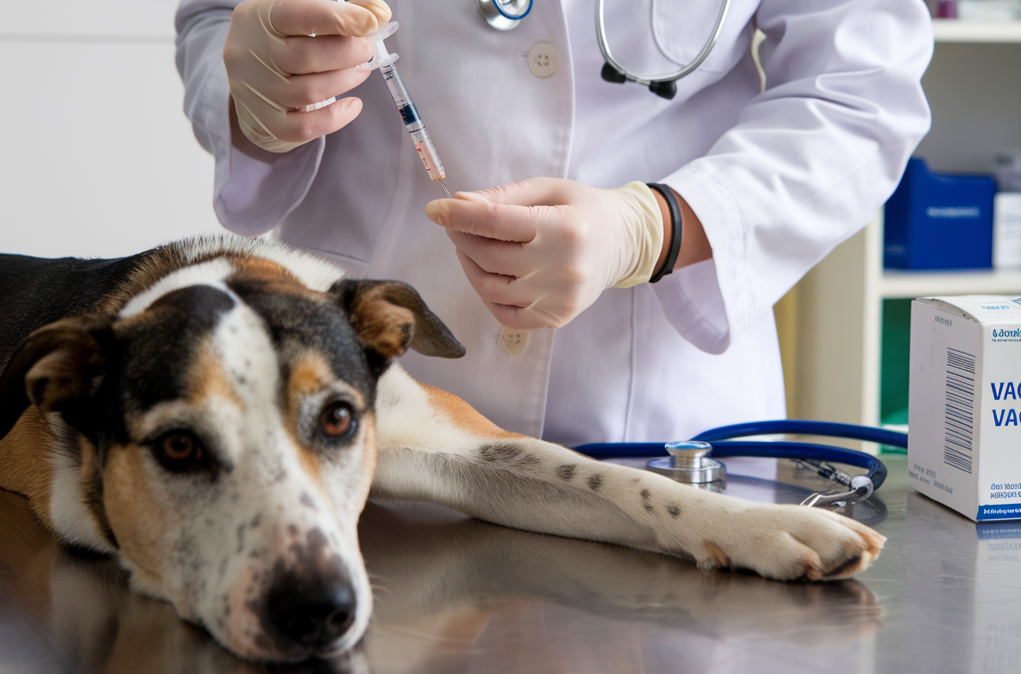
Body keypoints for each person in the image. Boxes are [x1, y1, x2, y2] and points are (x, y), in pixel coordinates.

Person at [174, 0, 932, 445]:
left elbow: (860, 90)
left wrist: (656, 227)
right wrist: (259, 93)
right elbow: (217, 18)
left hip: (656, 416)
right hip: (372, 401)